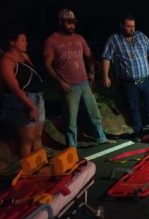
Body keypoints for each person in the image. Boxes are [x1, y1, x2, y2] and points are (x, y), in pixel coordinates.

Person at [44, 9, 114, 147]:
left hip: (84, 82)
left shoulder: (79, 38)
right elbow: (47, 65)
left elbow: (90, 56)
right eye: (69, 23)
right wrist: (60, 82)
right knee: (71, 119)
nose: (72, 26)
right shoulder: (52, 41)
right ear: (60, 22)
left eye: (73, 23)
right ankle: (72, 147)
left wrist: (92, 71)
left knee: (94, 113)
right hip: (68, 86)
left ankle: (101, 138)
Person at [102, 13, 149, 142]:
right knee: (133, 108)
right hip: (129, 83)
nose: (132, 29)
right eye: (129, 26)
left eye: (133, 26)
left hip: (145, 80)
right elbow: (106, 58)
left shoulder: (141, 36)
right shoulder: (114, 39)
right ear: (122, 26)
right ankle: (138, 133)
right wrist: (105, 76)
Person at [0, 28, 45, 157]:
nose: (26, 43)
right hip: (21, 101)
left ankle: (40, 166)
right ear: (12, 42)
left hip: (37, 96)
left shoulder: (25, 56)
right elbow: (14, 88)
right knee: (27, 138)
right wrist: (30, 105)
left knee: (37, 135)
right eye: (22, 40)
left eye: (26, 40)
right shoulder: (6, 61)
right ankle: (28, 171)